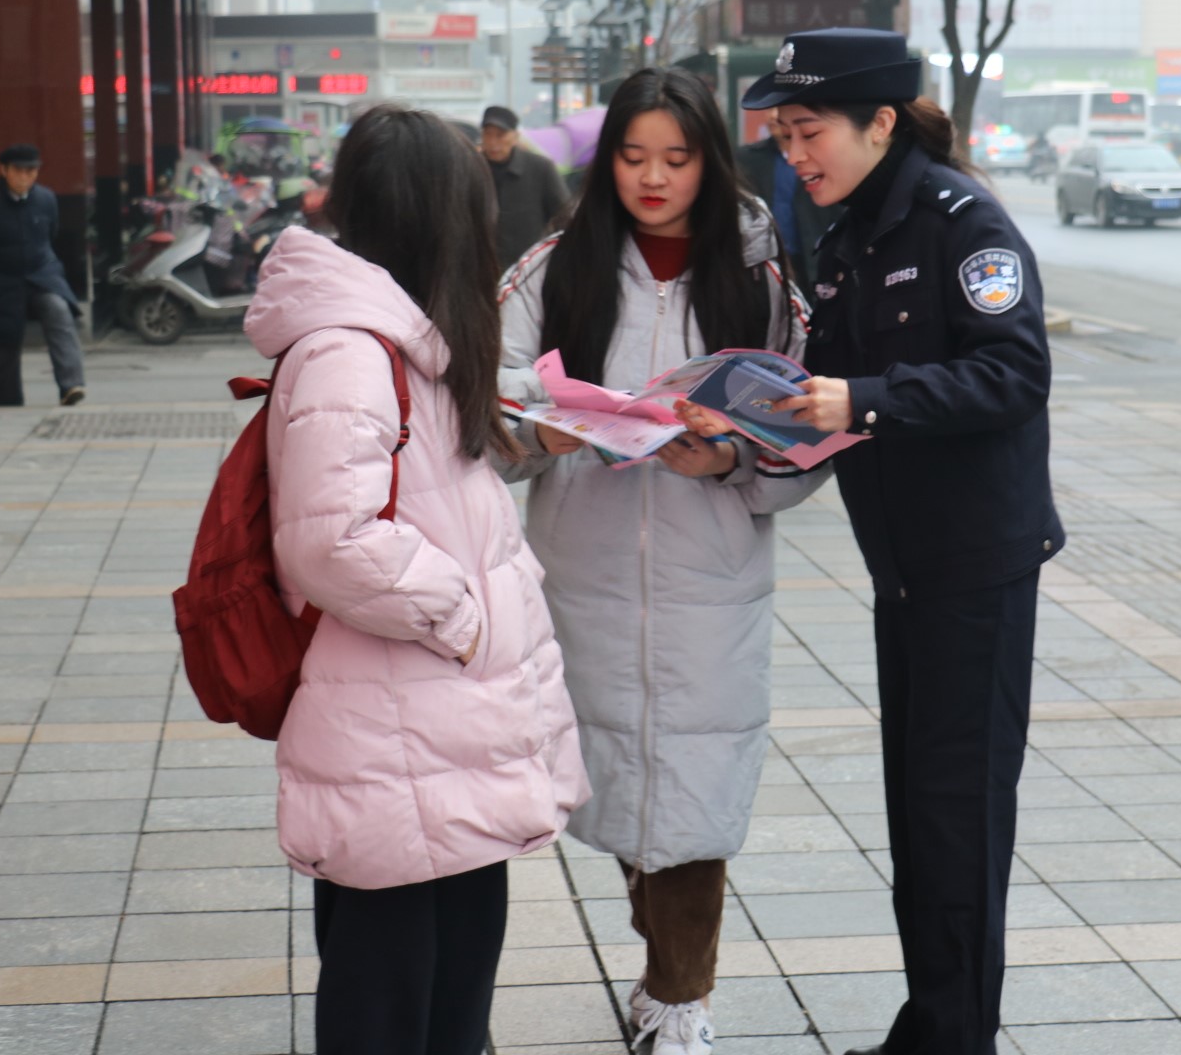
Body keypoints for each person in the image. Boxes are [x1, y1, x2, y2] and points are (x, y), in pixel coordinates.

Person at [729, 28, 1065, 1055]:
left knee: (958, 819)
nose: (795, 154)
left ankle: (958, 1038)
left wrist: (863, 398)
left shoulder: (966, 224)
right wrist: (730, 417)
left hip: (974, 570)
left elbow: (1014, 373)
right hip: (907, 571)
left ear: (880, 121)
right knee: (919, 815)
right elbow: (817, 393)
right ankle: (932, 1022)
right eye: (782, 136)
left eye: (809, 130)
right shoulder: (852, 233)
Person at [244, 105, 588, 1055]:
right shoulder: (350, 351)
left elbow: (430, 486)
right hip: (396, 729)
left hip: (435, 731)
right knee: (392, 998)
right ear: (437, 216)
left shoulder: (407, 336)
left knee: (450, 985)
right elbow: (330, 539)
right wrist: (463, 616)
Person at [497, 68, 822, 1055]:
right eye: (634, 158)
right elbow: (488, 394)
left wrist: (727, 454)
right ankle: (661, 968)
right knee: (621, 785)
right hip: (583, 568)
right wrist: (536, 434)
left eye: (676, 159)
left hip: (709, 573)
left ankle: (681, 999)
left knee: (694, 788)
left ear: (709, 161)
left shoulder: (761, 271)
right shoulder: (555, 266)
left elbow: (805, 424)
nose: (653, 178)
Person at [0, 143, 86, 407]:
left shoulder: (46, 199)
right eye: (19, 171)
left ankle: (70, 385)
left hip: (41, 274)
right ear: (3, 170)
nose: (25, 177)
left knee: (59, 310)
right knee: (4, 336)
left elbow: (50, 235)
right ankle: (7, 401)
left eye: (32, 171)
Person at [736, 118, 842, 286]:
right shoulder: (746, 159)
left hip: (812, 260)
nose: (771, 115)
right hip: (764, 260)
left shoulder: (823, 159)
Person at [479, 105, 570, 265]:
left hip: (529, 267)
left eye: (500, 135)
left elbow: (564, 216)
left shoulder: (540, 169)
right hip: (481, 267)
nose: (493, 142)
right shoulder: (472, 168)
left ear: (515, 136)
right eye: (488, 134)